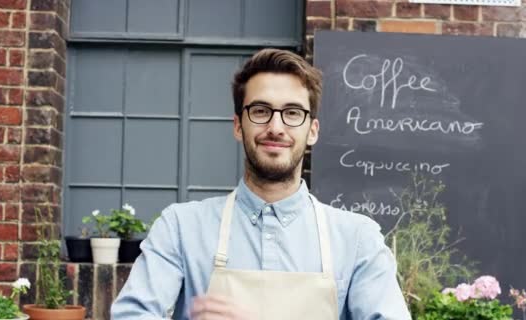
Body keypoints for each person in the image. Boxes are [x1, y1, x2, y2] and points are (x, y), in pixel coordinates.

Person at [111, 48, 411, 320]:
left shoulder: (357, 240)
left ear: (313, 131)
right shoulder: (180, 228)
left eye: (292, 113)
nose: (276, 127)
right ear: (238, 126)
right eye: (260, 111)